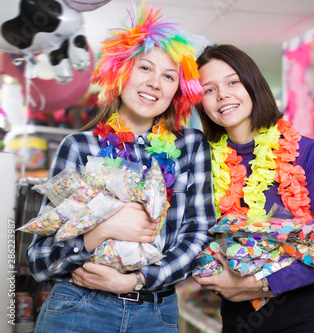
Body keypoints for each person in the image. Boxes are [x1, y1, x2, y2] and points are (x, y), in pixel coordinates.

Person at [27, 5, 216, 333]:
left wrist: (138, 281)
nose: (155, 83)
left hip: (155, 314)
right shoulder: (79, 147)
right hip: (78, 309)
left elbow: (198, 234)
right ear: (121, 71)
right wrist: (98, 232)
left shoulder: (191, 147)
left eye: (169, 76)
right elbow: (40, 259)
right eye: (145, 67)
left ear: (178, 91)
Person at [192, 44, 314, 333]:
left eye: (233, 82)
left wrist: (260, 285)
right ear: (200, 103)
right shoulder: (202, 163)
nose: (223, 95)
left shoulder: (307, 153)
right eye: (209, 89)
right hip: (238, 318)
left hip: (304, 316)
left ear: (253, 84)